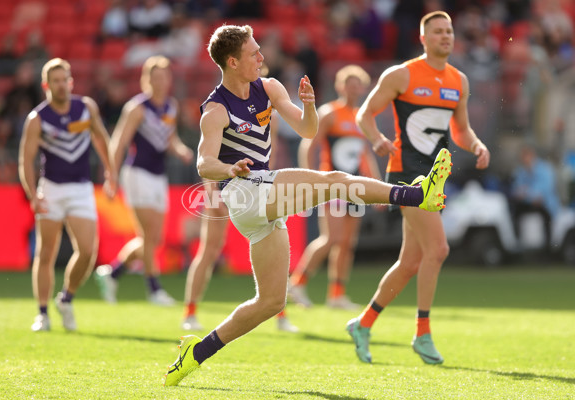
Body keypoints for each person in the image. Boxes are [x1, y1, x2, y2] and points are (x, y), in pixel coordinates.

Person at [164, 24, 451, 387]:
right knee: (334, 182)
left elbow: (306, 130)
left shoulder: (268, 87)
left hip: (261, 199)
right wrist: (228, 167)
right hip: (244, 193)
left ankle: (196, 353)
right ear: (233, 61)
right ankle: (415, 194)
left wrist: (310, 106)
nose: (262, 57)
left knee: (271, 301)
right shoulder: (216, 110)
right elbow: (204, 162)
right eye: (254, 53)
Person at [346, 11, 490, 365]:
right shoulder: (402, 74)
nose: (445, 36)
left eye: (449, 31)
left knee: (411, 261)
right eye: (438, 32)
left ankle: (363, 324)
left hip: (435, 180)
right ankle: (422, 332)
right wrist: (377, 139)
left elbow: (460, 129)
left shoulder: (459, 81)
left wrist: (475, 145)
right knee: (438, 249)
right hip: (407, 177)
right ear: (423, 38)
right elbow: (364, 114)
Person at [18, 58, 116, 332]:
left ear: (71, 82)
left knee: (87, 251)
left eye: (65, 80)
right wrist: (32, 195)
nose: (61, 85)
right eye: (56, 81)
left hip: (81, 188)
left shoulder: (85, 108)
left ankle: (66, 298)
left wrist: (110, 172)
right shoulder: (37, 118)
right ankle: (42, 313)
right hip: (51, 189)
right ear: (46, 85)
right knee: (45, 253)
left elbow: (100, 137)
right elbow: (25, 160)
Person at [182, 112, 299, 333]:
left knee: (274, 246)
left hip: (256, 187)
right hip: (224, 185)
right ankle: (190, 312)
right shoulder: (225, 107)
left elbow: (268, 154)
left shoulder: (269, 113)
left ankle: (280, 315)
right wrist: (210, 188)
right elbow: (209, 152)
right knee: (209, 250)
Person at [94, 55, 194, 306]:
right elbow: (119, 141)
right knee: (149, 235)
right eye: (155, 77)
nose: (160, 82)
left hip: (158, 176)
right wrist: (111, 174)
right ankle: (154, 289)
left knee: (154, 239)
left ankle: (112, 273)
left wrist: (181, 150)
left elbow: (170, 139)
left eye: (164, 77)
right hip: (137, 174)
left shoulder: (171, 106)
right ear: (146, 80)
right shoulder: (137, 107)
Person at [288, 65, 380, 310]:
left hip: (355, 187)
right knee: (332, 238)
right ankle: (296, 283)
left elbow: (365, 156)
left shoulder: (361, 116)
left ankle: (337, 294)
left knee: (347, 243)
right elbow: (309, 145)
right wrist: (310, 178)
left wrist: (377, 186)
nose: (353, 88)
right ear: (340, 86)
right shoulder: (330, 113)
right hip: (333, 185)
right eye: (349, 83)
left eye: (357, 84)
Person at [510, 143, 559, 251]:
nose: (524, 159)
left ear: (532, 155)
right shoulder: (521, 171)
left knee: (547, 219)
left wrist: (528, 194)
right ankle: (517, 244)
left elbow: (545, 190)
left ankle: (548, 248)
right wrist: (529, 195)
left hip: (545, 204)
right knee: (515, 213)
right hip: (529, 203)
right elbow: (516, 189)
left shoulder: (544, 169)